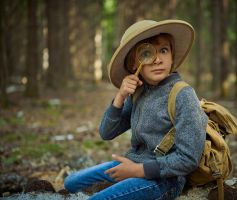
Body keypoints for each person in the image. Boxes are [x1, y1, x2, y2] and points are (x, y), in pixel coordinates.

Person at [64, 19, 208, 200]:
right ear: (134, 64)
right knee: (71, 182)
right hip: (134, 164)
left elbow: (188, 159)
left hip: (165, 178)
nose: (157, 59)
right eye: (147, 53)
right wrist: (120, 97)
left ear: (172, 58)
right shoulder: (139, 93)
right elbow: (106, 132)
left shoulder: (183, 95)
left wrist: (138, 170)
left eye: (164, 50)